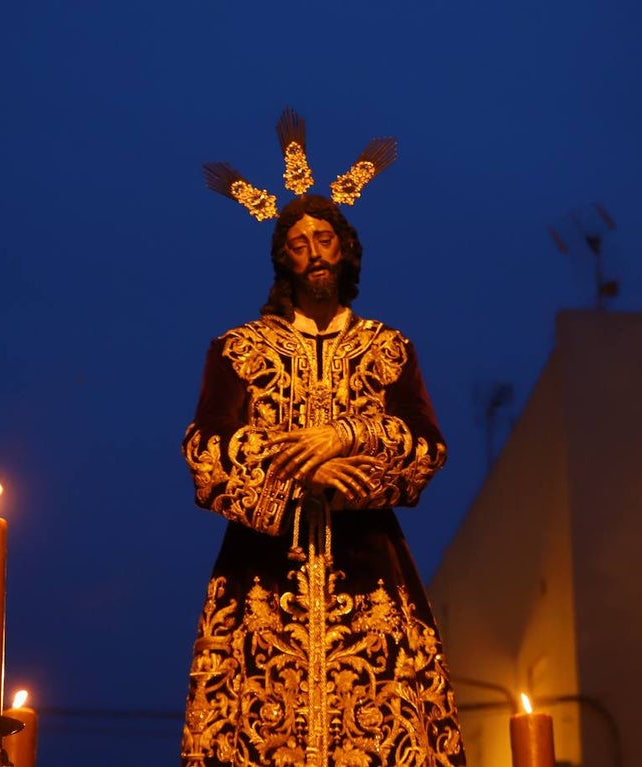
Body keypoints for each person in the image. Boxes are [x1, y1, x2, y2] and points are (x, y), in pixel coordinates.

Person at [181, 116, 465, 766]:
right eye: (299, 240)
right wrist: (295, 474)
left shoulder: (387, 349)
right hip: (260, 579)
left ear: (345, 251)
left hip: (369, 580)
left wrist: (350, 435)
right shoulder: (239, 350)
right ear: (283, 256)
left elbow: (427, 447)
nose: (313, 249)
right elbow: (205, 452)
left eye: (325, 237)